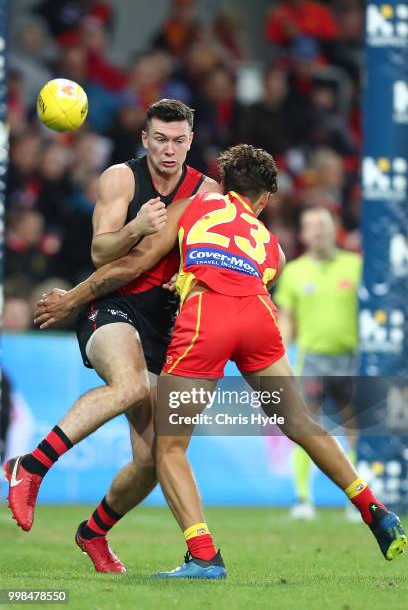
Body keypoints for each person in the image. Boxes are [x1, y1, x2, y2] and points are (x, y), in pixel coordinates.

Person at [34, 144, 406, 579]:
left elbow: (136, 262)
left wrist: (76, 298)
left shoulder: (197, 203)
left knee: (167, 447)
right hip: (258, 318)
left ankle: (204, 555)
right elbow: (260, 274)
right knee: (304, 424)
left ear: (224, 184)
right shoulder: (272, 244)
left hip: (208, 315)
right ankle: (375, 510)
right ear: (264, 199)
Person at [4, 99, 221, 574]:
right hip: (114, 303)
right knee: (130, 386)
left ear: (191, 141)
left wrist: (188, 274)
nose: (169, 149)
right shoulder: (120, 178)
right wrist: (137, 228)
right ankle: (31, 467)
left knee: (153, 459)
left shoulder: (208, 191)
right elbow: (102, 251)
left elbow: (210, 255)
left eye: (178, 140)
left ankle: (94, 532)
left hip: (167, 322)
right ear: (145, 139)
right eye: (160, 139)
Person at [274, 208, 361, 520]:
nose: (318, 231)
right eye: (311, 226)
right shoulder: (295, 272)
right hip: (311, 359)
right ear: (303, 235)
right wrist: (280, 354)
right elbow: (287, 319)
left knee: (355, 429)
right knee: (304, 426)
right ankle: (303, 499)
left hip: (350, 358)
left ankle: (357, 500)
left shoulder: (356, 266)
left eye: (323, 225)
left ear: (333, 229)